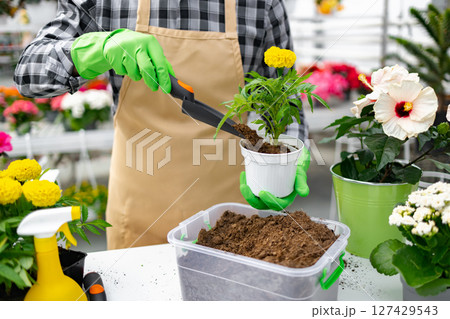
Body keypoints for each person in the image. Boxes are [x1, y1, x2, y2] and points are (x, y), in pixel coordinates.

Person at [14, 0, 310, 250]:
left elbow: (286, 101)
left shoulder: (261, 4)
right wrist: (95, 49)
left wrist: (288, 158)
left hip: (233, 224)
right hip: (137, 221)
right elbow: (28, 72)